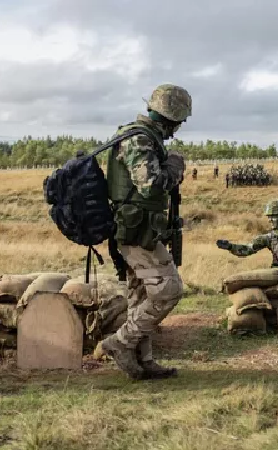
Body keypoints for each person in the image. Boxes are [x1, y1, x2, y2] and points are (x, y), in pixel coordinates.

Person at [98, 84, 190, 380]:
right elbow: (150, 183)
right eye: (177, 123)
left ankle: (143, 360)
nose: (176, 130)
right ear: (170, 118)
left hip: (140, 227)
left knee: (140, 294)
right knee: (168, 290)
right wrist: (175, 167)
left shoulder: (142, 137)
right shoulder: (138, 139)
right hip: (135, 231)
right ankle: (120, 343)